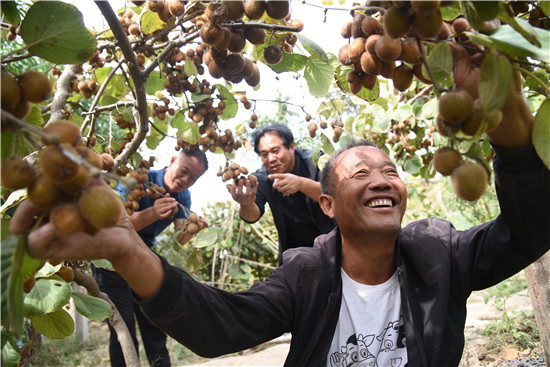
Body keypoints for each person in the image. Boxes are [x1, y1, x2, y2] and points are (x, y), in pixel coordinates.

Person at [12, 45, 550, 366]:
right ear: (332, 206)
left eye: (389, 170)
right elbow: (218, 325)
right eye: (359, 173)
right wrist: (130, 252)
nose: (381, 178)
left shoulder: (439, 253)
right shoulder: (305, 275)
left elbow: (529, 231)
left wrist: (507, 113)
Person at [92, 148, 208, 367]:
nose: (186, 180)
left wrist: (195, 229)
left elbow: (180, 239)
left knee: (154, 324)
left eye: (194, 178)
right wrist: (152, 213)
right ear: (173, 159)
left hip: (142, 257)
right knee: (123, 328)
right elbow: (115, 225)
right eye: (184, 171)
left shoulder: (183, 196)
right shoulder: (137, 178)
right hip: (110, 258)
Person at [227, 123, 335, 264]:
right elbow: (251, 216)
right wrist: (246, 204)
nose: (271, 159)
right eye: (264, 154)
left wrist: (301, 184)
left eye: (275, 151)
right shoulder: (262, 178)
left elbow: (338, 197)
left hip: (335, 248)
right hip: (295, 258)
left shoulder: (316, 162)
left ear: (291, 147)